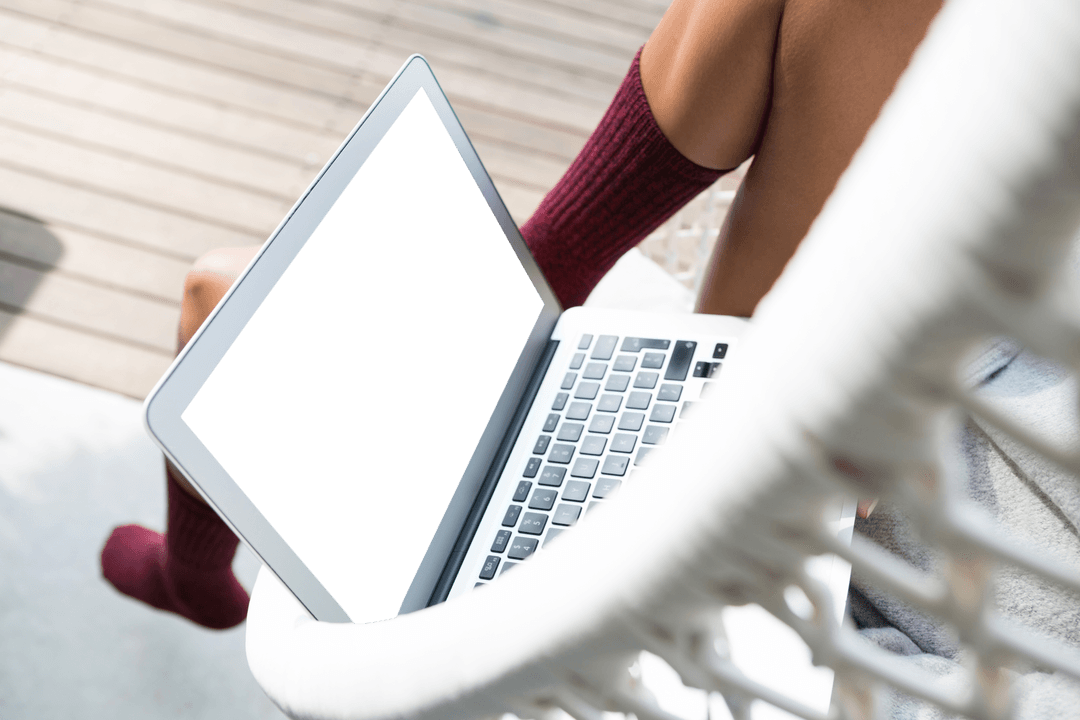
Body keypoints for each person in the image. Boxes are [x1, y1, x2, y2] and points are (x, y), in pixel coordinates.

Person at [100, 0, 944, 631]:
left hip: (744, 508)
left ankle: (194, 576)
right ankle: (535, 287)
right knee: (223, 296)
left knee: (218, 307)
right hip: (759, 399)